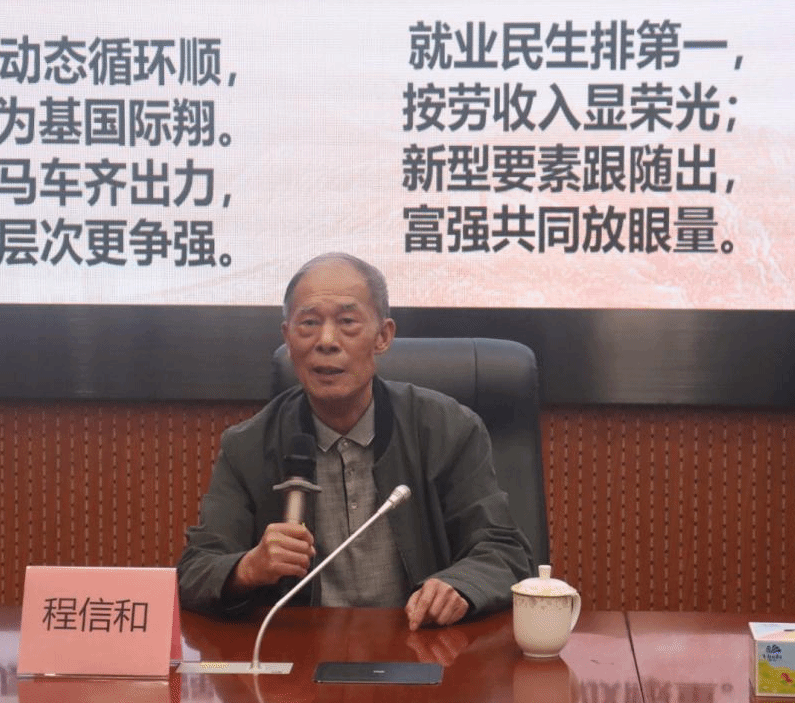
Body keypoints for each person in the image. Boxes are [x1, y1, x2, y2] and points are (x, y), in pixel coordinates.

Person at [177, 253, 534, 629]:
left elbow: (503, 550)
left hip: (419, 645)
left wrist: (458, 585)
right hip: (298, 652)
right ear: (287, 337)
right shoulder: (248, 446)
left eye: (347, 322)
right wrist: (247, 568)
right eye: (309, 323)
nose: (326, 341)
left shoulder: (448, 429)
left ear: (383, 336)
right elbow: (195, 570)